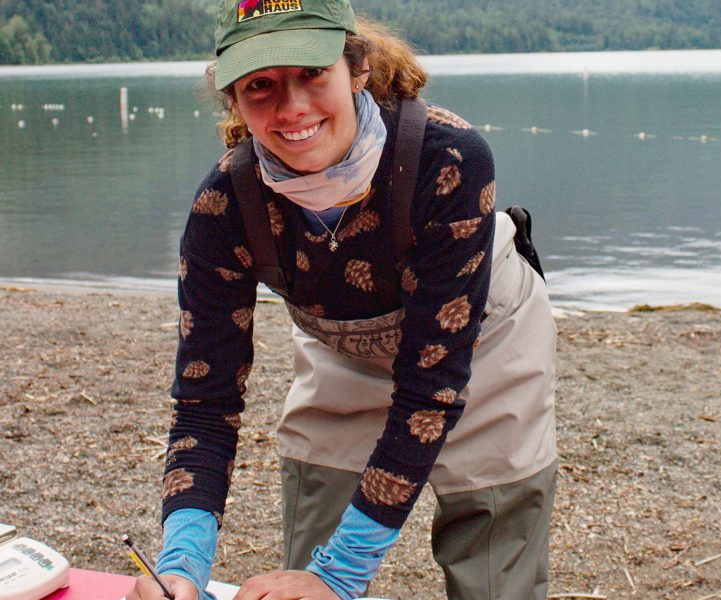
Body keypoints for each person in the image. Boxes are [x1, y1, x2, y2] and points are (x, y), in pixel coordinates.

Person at [126, 1, 557, 598]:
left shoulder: (448, 157)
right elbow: (205, 401)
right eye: (260, 85)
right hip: (344, 349)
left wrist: (341, 574)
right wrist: (180, 565)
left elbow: (432, 387)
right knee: (304, 566)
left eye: (312, 74)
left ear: (357, 70)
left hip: (486, 339)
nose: (292, 107)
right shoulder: (224, 206)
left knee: (492, 562)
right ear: (234, 100)